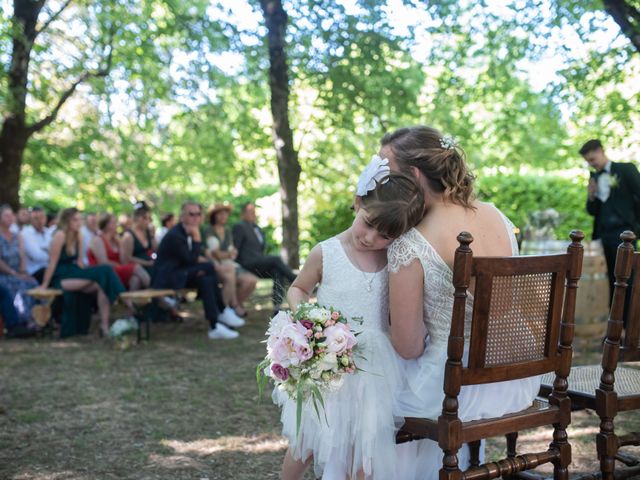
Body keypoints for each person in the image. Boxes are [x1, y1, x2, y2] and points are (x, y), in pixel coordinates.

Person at [380, 126, 542, 479]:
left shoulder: (410, 242)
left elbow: (408, 347)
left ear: (414, 174)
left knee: (371, 387)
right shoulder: (497, 215)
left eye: (387, 173)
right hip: (518, 376)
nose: (382, 184)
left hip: (458, 390)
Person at [276, 166, 425, 480]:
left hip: (375, 369)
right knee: (308, 440)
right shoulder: (326, 252)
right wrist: (308, 323)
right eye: (368, 224)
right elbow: (298, 288)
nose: (371, 238)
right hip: (330, 363)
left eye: (385, 235)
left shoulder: (395, 261)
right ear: (358, 203)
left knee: (366, 444)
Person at [152, 201, 245, 340]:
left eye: (198, 214)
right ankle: (222, 310)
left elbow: (192, 259)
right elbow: (190, 259)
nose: (195, 217)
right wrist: (196, 239)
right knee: (209, 267)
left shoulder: (189, 232)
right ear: (182, 217)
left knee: (206, 279)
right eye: (191, 214)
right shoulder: (176, 235)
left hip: (181, 274)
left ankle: (214, 325)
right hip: (167, 278)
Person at [41, 208, 126, 338]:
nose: (78, 223)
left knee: (102, 283)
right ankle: (124, 299)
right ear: (67, 221)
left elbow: (80, 262)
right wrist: (44, 285)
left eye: (79, 219)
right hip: (61, 277)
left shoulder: (79, 236)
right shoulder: (60, 235)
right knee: (106, 269)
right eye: (75, 220)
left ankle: (104, 325)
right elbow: (52, 263)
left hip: (75, 272)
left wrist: (89, 272)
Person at [582, 139, 640, 305]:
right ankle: (610, 319)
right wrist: (591, 196)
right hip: (601, 234)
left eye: (592, 160)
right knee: (605, 278)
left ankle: (628, 322)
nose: (591, 164)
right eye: (588, 162)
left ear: (601, 151)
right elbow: (592, 211)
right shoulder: (594, 177)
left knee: (626, 277)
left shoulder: (626, 169)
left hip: (624, 234)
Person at [233, 202, 296, 312]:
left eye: (254, 212)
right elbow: (235, 248)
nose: (253, 214)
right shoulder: (240, 226)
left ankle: (277, 306)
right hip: (247, 262)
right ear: (243, 214)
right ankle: (296, 280)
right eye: (250, 212)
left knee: (277, 271)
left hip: (258, 262)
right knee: (275, 259)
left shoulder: (257, 229)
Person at [205, 203, 257, 317]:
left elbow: (232, 252)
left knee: (251, 281)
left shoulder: (227, 230)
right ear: (214, 215)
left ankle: (233, 306)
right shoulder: (209, 230)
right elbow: (215, 254)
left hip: (229, 265)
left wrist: (226, 254)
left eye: (225, 213)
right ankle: (227, 308)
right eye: (220, 213)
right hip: (215, 266)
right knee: (230, 275)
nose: (224, 216)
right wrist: (226, 254)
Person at [0, 205, 39, 330]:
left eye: (11, 215)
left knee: (32, 283)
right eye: (6, 215)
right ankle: (22, 320)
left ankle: (38, 319)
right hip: (4, 274)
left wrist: (23, 272)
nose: (10, 218)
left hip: (17, 272)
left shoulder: (18, 236)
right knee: (17, 285)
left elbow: (22, 256)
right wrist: (13, 273)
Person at [88, 213, 151, 291]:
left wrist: (120, 243)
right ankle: (157, 295)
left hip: (118, 269)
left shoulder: (116, 239)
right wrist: (117, 265)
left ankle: (132, 302)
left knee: (135, 279)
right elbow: (103, 262)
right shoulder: (98, 240)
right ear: (106, 225)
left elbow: (123, 259)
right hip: (106, 271)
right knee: (136, 267)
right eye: (113, 222)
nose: (116, 225)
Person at [121, 202, 157, 275]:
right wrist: (147, 263)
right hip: (138, 268)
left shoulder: (147, 232)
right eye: (144, 218)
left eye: (149, 218)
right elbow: (126, 259)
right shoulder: (128, 235)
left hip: (151, 265)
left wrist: (152, 236)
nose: (147, 221)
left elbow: (155, 249)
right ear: (136, 217)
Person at [21, 206, 53, 284]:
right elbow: (37, 256)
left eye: (42, 217)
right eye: (36, 218)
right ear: (31, 220)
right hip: (35, 271)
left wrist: (47, 251)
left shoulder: (49, 232)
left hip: (50, 268)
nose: (39, 221)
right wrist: (50, 252)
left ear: (45, 218)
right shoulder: (25, 233)